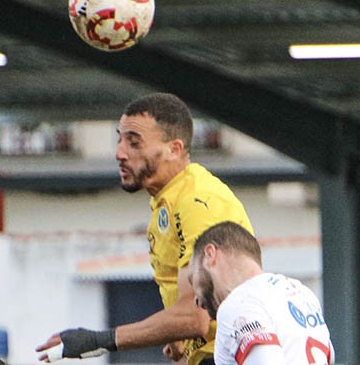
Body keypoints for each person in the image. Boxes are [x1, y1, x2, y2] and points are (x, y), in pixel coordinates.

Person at [36, 92, 254, 365]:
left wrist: (99, 341)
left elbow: (194, 317)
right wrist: (177, 340)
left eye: (134, 142)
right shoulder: (166, 202)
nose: (119, 153)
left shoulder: (199, 201)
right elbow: (191, 310)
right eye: (119, 139)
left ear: (174, 149)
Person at [188, 222, 334, 365]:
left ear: (210, 254)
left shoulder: (238, 304)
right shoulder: (302, 294)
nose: (196, 300)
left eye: (191, 278)